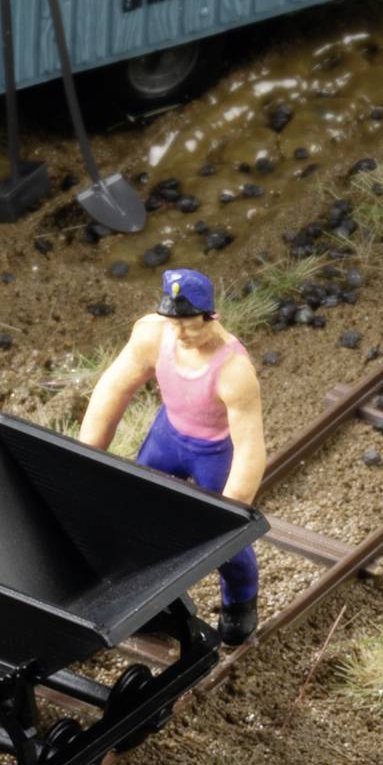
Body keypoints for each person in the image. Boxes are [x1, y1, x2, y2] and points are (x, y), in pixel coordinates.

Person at [78, 267, 266, 645]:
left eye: (189, 323)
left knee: (226, 541)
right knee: (138, 512)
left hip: (214, 451)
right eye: (172, 322)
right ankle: (154, 600)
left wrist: (232, 509)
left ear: (210, 315)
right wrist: (86, 453)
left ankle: (240, 600)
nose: (179, 332)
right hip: (169, 436)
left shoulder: (233, 370)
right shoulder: (152, 336)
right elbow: (113, 389)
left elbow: (249, 447)